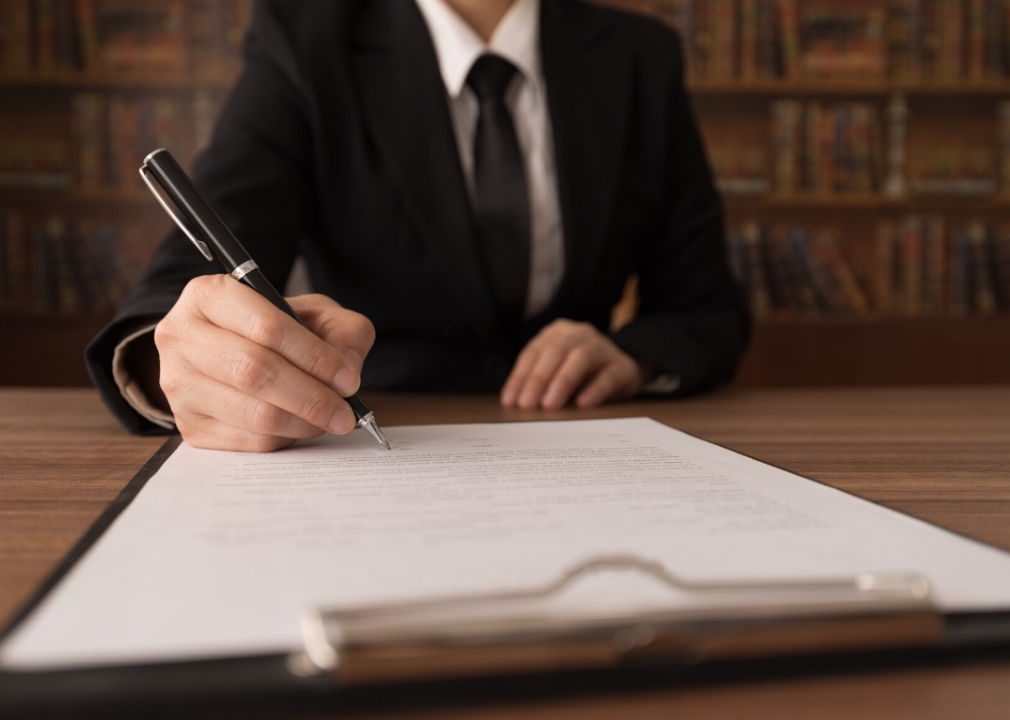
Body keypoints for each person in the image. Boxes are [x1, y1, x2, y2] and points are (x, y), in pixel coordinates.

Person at [85, 0, 750, 452]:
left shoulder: (641, 56)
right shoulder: (306, 37)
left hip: (587, 438)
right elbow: (194, 272)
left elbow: (706, 308)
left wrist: (633, 356)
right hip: (367, 427)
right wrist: (175, 357)